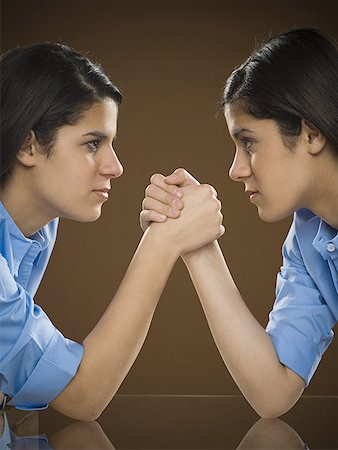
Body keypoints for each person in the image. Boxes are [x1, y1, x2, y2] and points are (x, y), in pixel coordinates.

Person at [0, 42, 224, 420]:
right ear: (28, 144)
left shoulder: (37, 229)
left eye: (110, 143)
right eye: (92, 144)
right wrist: (161, 243)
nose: (115, 167)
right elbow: (81, 395)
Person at [140, 28, 338, 418]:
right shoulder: (309, 237)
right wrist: (198, 245)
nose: (235, 169)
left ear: (309, 133)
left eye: (248, 142)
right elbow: (272, 392)